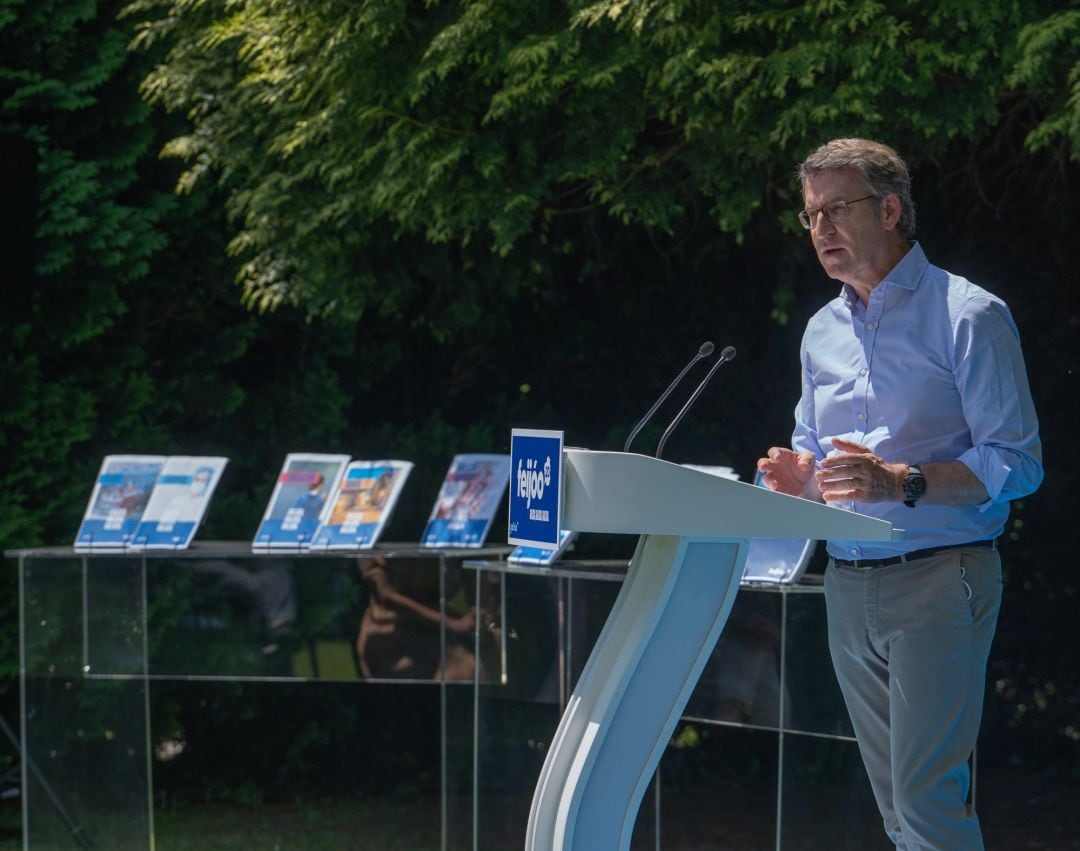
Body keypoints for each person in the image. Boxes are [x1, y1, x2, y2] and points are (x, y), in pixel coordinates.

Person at [757, 138, 1042, 850]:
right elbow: (816, 456)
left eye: (835, 209)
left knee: (926, 800)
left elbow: (1018, 462)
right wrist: (800, 483)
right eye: (810, 215)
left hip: (941, 579)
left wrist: (902, 480)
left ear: (889, 210)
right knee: (895, 809)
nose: (820, 228)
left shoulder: (968, 314)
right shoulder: (821, 331)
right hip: (848, 586)